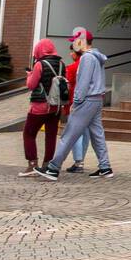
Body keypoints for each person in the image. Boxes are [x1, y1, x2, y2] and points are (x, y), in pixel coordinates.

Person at [34, 31, 112, 180]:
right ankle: (105, 167)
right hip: (96, 99)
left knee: (69, 134)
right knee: (97, 134)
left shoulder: (87, 58)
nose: (73, 44)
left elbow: (83, 83)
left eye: (75, 41)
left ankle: (53, 168)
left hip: (86, 100)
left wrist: (75, 102)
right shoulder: (97, 56)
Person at [19, 39, 67, 177]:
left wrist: (29, 75)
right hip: (56, 107)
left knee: (29, 133)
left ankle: (32, 165)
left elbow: (31, 85)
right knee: (50, 136)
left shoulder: (40, 64)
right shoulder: (61, 64)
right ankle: (47, 165)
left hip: (40, 107)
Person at [61, 47, 88, 173]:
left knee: (75, 133)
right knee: (86, 133)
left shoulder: (71, 68)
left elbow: (68, 86)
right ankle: (81, 160)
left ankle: (78, 162)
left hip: (75, 103)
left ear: (76, 54)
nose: (70, 54)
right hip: (89, 103)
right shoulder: (89, 66)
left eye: (72, 52)